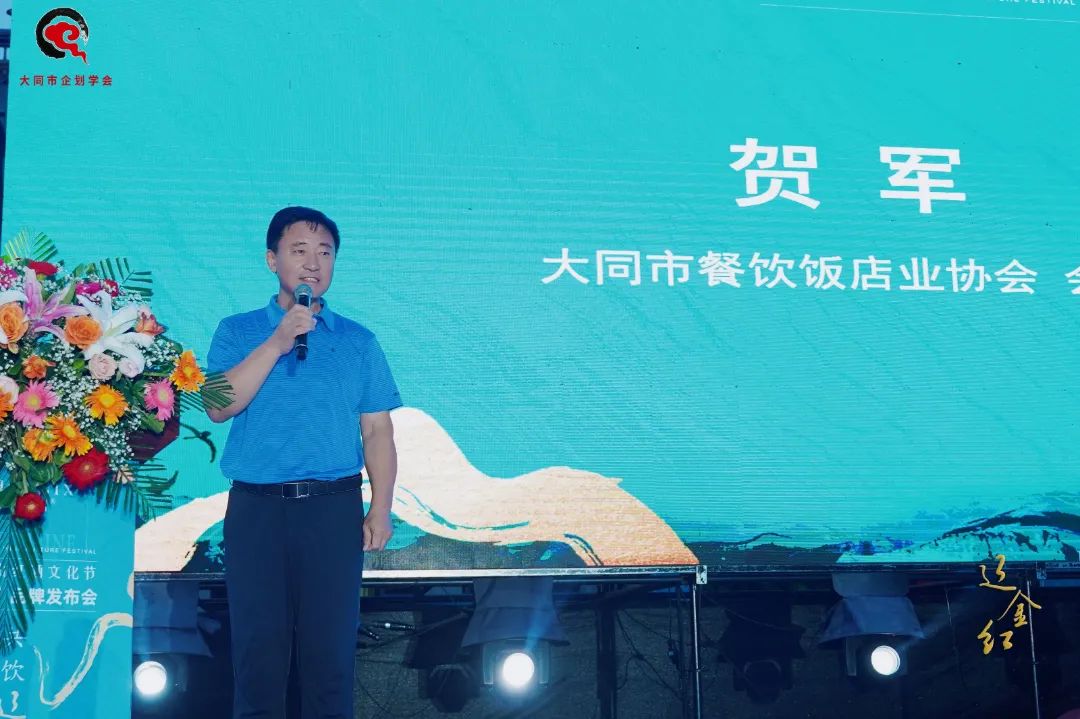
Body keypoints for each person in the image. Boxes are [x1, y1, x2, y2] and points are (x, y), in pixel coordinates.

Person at [206, 206, 401, 718]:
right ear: (272, 260)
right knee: (258, 659)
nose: (313, 263)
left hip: (332, 509)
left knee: (330, 660)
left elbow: (377, 430)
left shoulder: (358, 341)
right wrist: (278, 341)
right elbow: (218, 406)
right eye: (299, 251)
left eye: (325, 252)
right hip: (257, 510)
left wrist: (381, 507)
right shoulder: (237, 330)